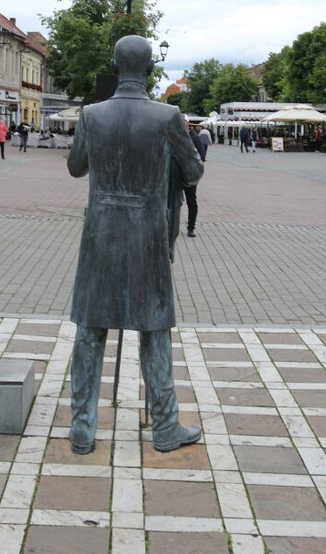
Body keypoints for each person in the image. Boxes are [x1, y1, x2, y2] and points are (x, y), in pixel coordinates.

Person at [67, 35, 204, 455]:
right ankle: (164, 428)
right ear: (148, 69)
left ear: (115, 63)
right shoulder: (168, 117)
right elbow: (194, 172)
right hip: (147, 233)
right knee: (154, 331)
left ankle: (82, 429)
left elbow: (75, 167)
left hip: (101, 236)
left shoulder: (92, 114)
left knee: (90, 333)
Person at [183, 126, 206, 237]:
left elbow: (202, 156)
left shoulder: (195, 138)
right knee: (172, 202)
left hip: (190, 175)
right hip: (175, 174)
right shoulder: (174, 135)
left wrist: (195, 170)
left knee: (191, 201)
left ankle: (191, 227)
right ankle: (169, 226)